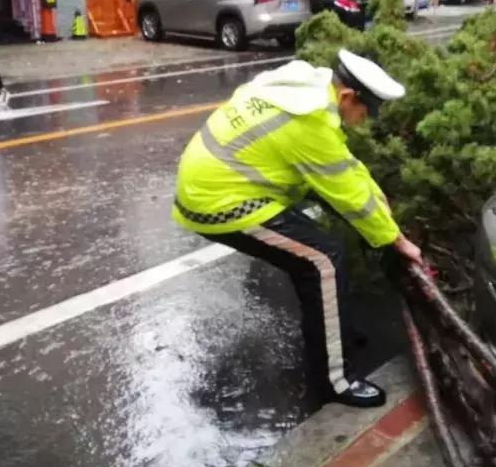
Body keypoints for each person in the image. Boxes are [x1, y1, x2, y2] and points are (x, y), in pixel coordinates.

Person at [173, 49, 423, 408]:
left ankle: (336, 333)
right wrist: (397, 241)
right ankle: (335, 381)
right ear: (348, 96)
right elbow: (348, 196)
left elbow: (344, 165)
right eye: (367, 111)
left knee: (317, 253)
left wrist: (374, 190)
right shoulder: (309, 120)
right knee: (322, 260)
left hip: (216, 184)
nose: (366, 120)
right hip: (217, 203)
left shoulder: (309, 89)